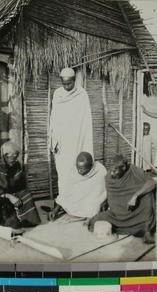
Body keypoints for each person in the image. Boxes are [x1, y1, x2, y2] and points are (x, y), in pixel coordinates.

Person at [88, 153, 156, 244]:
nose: (111, 173)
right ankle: (129, 227)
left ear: (123, 168)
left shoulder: (134, 170)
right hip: (117, 215)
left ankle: (147, 230)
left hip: (136, 212)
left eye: (115, 170)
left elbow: (152, 182)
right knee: (95, 221)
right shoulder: (109, 176)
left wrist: (136, 196)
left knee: (147, 194)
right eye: (111, 169)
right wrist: (95, 212)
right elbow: (110, 196)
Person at [50, 67, 93, 198]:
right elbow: (54, 117)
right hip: (62, 140)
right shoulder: (57, 94)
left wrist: (83, 140)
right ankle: (63, 200)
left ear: (75, 80)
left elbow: (85, 119)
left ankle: (77, 200)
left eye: (70, 83)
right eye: (64, 83)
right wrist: (54, 140)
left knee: (77, 168)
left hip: (77, 138)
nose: (67, 86)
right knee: (63, 171)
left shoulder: (82, 94)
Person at [0, 141, 41, 230]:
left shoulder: (15, 165)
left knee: (26, 194)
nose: (15, 161)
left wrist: (16, 194)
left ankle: (26, 220)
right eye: (13, 158)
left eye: (16, 157)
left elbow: (21, 185)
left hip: (11, 193)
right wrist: (9, 196)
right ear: (5, 156)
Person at [48, 152, 107, 221]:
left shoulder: (100, 170)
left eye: (82, 169)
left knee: (96, 206)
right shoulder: (74, 170)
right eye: (78, 168)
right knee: (63, 201)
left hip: (91, 200)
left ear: (91, 166)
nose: (79, 171)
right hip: (78, 199)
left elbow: (100, 193)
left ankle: (87, 214)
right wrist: (55, 210)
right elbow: (66, 192)